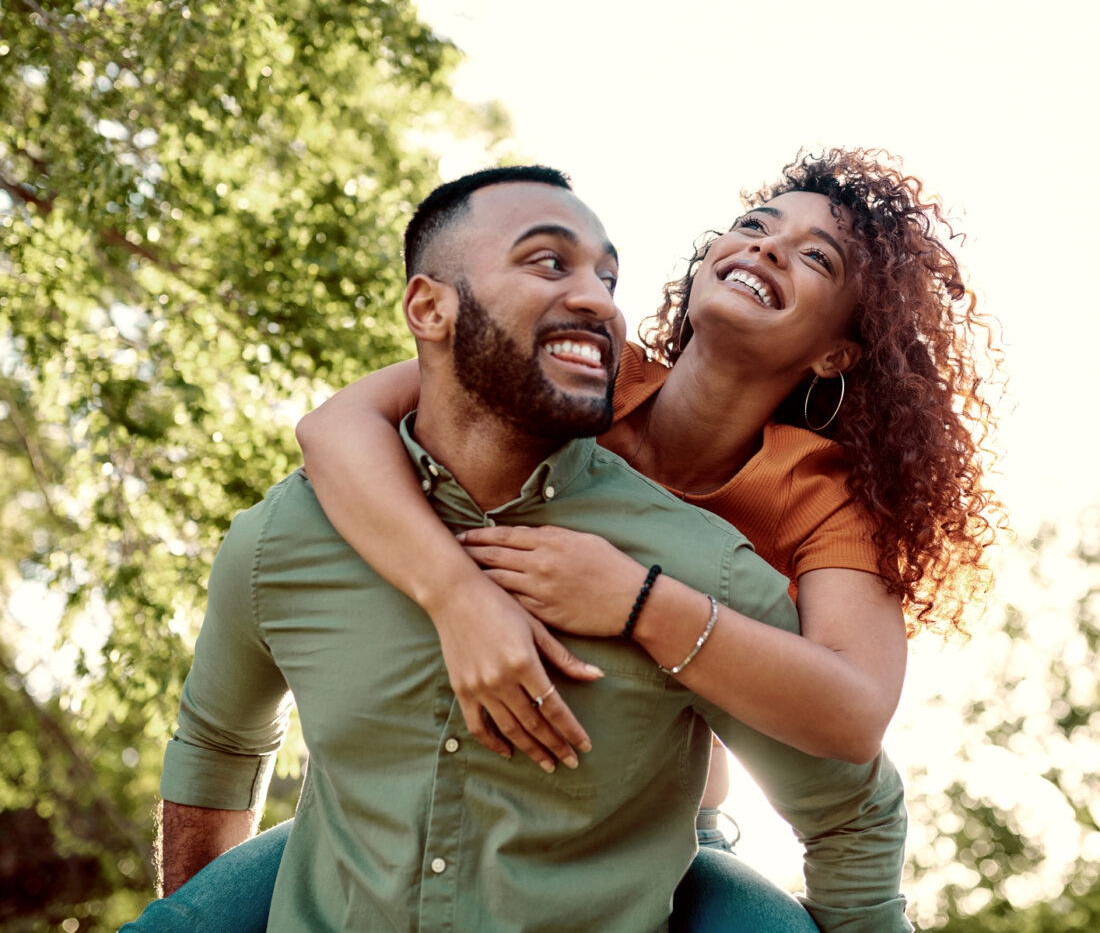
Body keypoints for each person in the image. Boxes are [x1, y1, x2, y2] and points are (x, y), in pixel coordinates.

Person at [142, 165, 913, 933]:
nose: (770, 248)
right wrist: (459, 596)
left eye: (816, 257)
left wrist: (637, 600)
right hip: (383, 828)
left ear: (836, 354)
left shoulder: (819, 496)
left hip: (646, 827)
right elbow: (335, 428)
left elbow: (852, 722)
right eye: (755, 224)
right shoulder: (579, 375)